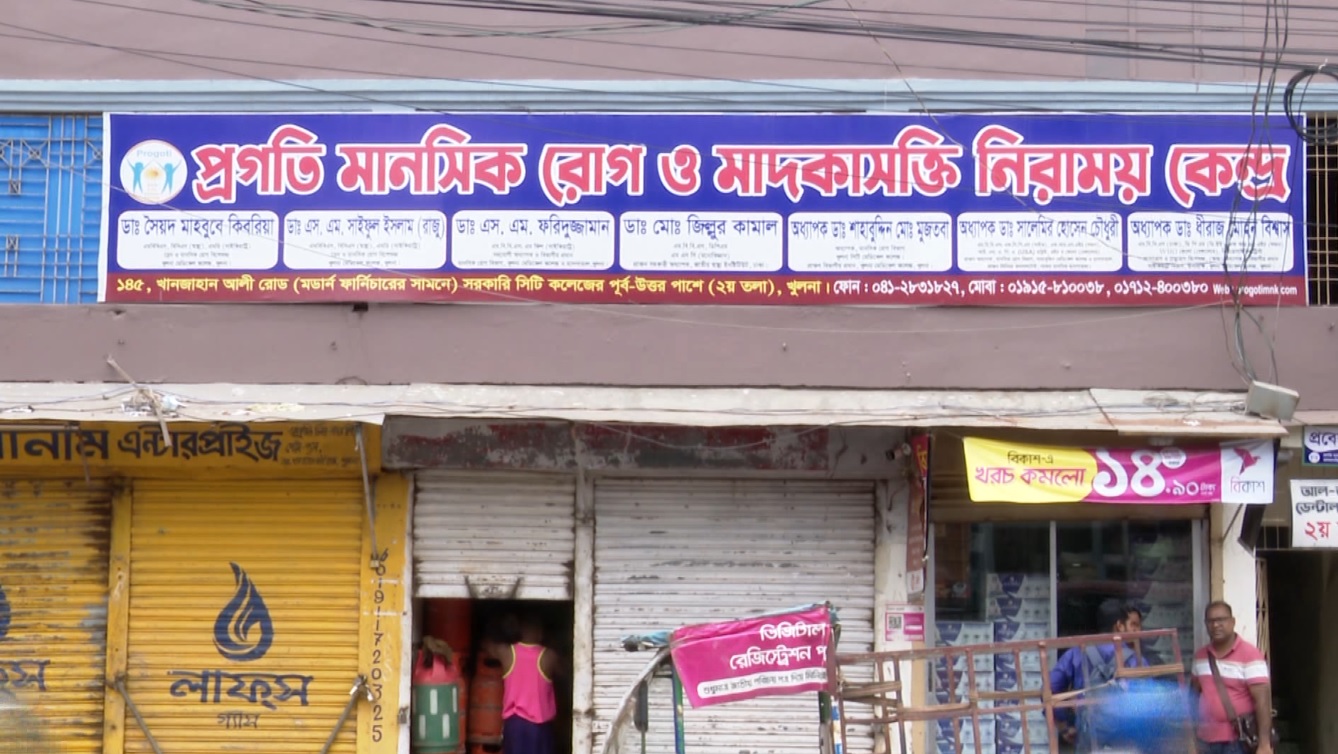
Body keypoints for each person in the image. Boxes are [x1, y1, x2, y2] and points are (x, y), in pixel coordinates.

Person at [1048, 599, 1148, 751]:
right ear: (1119, 625)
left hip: (1088, 737)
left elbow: (1050, 689)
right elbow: (1146, 698)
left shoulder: (1075, 653)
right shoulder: (1136, 659)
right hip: (1126, 739)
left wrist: (1064, 726)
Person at [1191, 601, 1273, 754]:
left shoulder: (1250, 655)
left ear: (1232, 622)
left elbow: (1262, 701)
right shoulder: (1200, 657)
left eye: (1221, 620)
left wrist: (1264, 744)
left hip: (1236, 742)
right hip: (1205, 740)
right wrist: (1191, 738)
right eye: (1211, 621)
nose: (1216, 625)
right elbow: (1194, 696)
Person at [482, 612, 562, 754]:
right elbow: (568, 673)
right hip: (540, 728)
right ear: (540, 632)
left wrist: (505, 630)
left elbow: (486, 644)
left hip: (515, 725)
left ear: (520, 631)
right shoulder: (549, 656)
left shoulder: (507, 652)